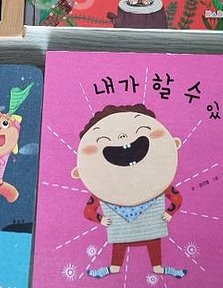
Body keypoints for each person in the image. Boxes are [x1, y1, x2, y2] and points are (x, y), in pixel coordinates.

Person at [72, 104, 187, 279]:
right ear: (79, 172)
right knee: (119, 245)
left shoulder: (160, 185)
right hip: (120, 230)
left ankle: (159, 268)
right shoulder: (102, 193)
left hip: (152, 226)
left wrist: (170, 212)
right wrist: (100, 219)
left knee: (153, 243)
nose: (122, 137)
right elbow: (88, 211)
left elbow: (177, 198)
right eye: (103, 139)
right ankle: (113, 268)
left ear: (174, 144)